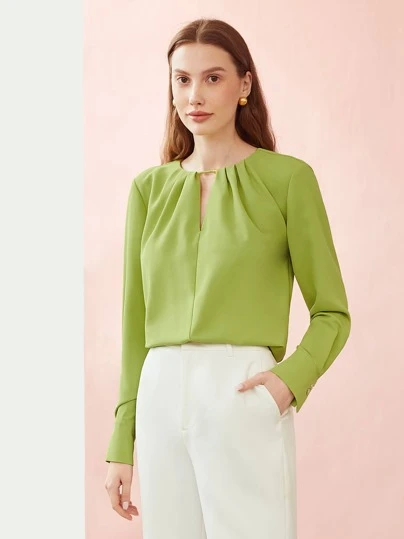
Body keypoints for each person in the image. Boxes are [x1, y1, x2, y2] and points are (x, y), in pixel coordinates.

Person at [104, 17, 351, 539]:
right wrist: (121, 440)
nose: (194, 95)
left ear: (244, 84)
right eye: (182, 79)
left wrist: (288, 382)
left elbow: (333, 311)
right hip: (159, 395)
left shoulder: (288, 180)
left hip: (242, 389)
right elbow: (134, 324)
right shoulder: (148, 190)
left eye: (213, 78)